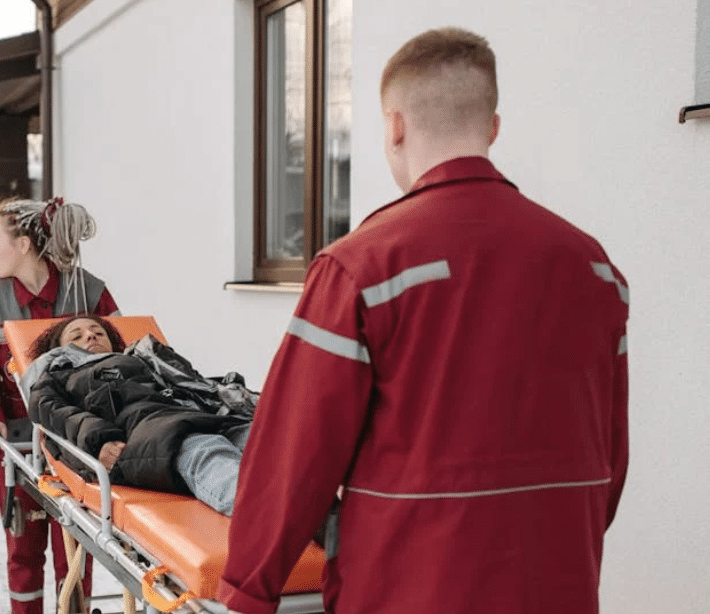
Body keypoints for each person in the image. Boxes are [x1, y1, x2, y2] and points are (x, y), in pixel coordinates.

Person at [219, 27, 629, 614]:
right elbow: (609, 455)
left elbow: (293, 457)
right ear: (492, 127)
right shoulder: (595, 270)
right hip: (557, 588)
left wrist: (247, 592)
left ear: (394, 126)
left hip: (404, 592)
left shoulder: (361, 267)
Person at [0, 197, 119, 614]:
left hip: (80, 439)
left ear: (24, 244)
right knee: (23, 550)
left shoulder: (89, 291)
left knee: (76, 548)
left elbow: (121, 353)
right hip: (18, 439)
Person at [26, 315, 257, 515]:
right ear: (58, 350)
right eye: (77, 336)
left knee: (265, 440)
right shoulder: (58, 377)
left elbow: (200, 386)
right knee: (205, 450)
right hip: (148, 432)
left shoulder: (144, 358)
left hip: (203, 417)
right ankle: (263, 516)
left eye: (99, 332)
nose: (91, 335)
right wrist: (98, 441)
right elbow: (53, 414)